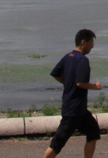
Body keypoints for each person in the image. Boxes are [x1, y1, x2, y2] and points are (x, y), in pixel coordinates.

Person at [43, 29, 102, 158]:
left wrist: (67, 82)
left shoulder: (68, 57)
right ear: (83, 42)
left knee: (93, 131)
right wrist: (95, 87)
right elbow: (80, 83)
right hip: (73, 110)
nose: (92, 45)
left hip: (78, 109)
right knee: (57, 144)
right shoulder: (82, 60)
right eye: (91, 42)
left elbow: (55, 74)